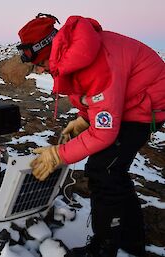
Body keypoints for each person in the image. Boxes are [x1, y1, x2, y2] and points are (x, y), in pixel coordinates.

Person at [17, 13, 165, 257]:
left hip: (146, 106)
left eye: (39, 63)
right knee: (113, 170)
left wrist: (58, 154)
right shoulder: (73, 53)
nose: (39, 70)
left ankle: (104, 248)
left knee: (103, 170)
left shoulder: (92, 61)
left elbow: (104, 133)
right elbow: (92, 94)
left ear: (49, 48)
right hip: (131, 101)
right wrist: (85, 118)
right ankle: (131, 241)